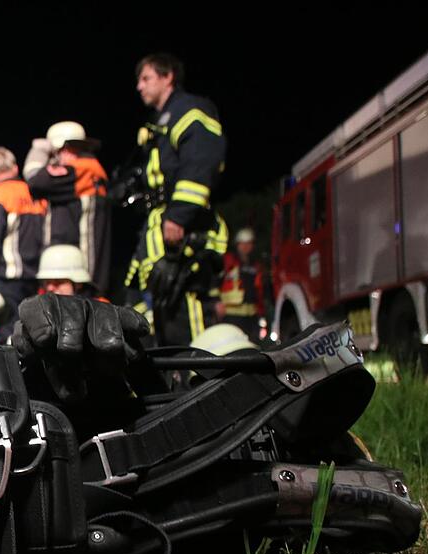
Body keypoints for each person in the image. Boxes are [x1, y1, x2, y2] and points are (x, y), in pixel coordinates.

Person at [123, 53, 228, 346]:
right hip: (159, 228)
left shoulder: (190, 111)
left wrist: (179, 216)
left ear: (168, 76)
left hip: (183, 231)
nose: (139, 87)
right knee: (158, 312)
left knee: (186, 312)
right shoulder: (159, 123)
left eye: (146, 79)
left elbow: (200, 164)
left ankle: (201, 381)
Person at [24, 121, 112, 295]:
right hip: (76, 273)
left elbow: (34, 180)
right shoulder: (86, 170)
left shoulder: (81, 169)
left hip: (77, 274)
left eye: (54, 153)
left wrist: (39, 150)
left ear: (63, 148)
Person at [0, 147, 48, 343]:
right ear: (15, 168)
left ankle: (6, 372)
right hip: (36, 278)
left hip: (5, 279)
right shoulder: (36, 195)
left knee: (6, 335)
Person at [218, 228, 267, 341]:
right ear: (237, 245)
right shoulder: (228, 261)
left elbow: (260, 291)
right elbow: (216, 282)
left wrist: (261, 313)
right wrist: (216, 303)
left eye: (249, 243)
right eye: (242, 244)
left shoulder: (256, 266)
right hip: (231, 315)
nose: (245, 247)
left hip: (252, 315)